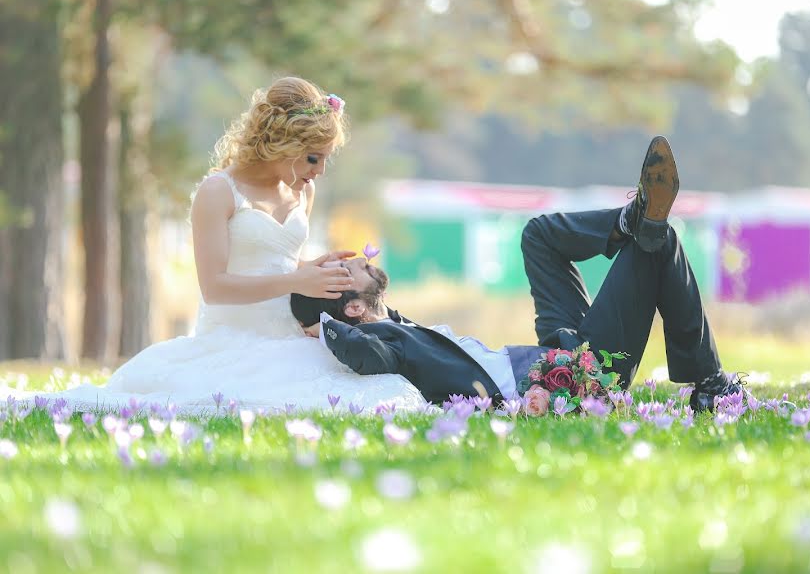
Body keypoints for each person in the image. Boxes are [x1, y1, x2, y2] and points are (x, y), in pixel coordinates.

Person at [9, 77, 425, 413]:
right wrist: (295, 278)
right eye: (313, 158)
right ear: (282, 143)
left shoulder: (301, 192)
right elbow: (216, 286)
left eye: (325, 159)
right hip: (232, 334)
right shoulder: (219, 191)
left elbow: (277, 261)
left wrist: (311, 268)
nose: (318, 171)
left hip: (288, 336)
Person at [293, 137, 744, 411]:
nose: (356, 258)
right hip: (575, 377)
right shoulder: (382, 344)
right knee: (657, 241)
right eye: (346, 270)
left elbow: (367, 312)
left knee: (538, 235)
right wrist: (325, 325)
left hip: (550, 350)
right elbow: (364, 356)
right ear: (351, 306)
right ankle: (712, 385)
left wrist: (308, 275)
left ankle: (626, 221)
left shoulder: (391, 321)